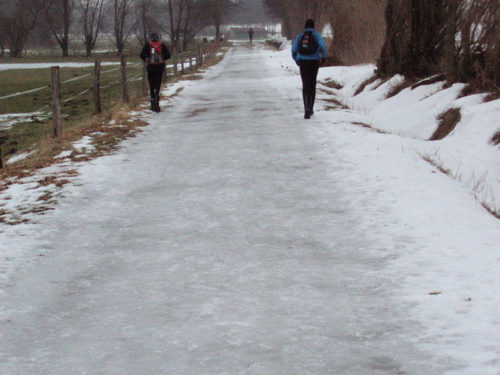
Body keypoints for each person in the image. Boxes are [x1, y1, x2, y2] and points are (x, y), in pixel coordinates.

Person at [291, 19, 327, 119]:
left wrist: (296, 59)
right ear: (313, 26)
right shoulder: (317, 36)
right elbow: (323, 46)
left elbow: (294, 50)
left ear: (305, 26)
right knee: (312, 83)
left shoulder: (300, 36)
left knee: (305, 84)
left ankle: (305, 107)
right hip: (314, 62)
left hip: (303, 61)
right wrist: (324, 58)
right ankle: (310, 108)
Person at [140, 33, 171, 112]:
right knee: (158, 83)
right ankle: (157, 99)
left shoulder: (147, 45)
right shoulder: (162, 46)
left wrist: (146, 59)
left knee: (151, 84)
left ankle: (152, 101)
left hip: (150, 67)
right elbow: (168, 56)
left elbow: (141, 55)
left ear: (150, 39)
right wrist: (162, 57)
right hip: (160, 67)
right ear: (158, 39)